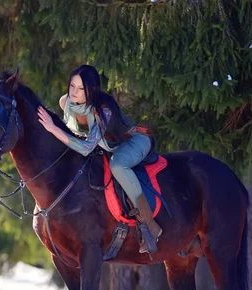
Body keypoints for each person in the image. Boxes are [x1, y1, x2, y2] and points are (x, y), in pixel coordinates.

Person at [37, 64, 162, 254]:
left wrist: (53, 128)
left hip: (133, 141)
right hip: (107, 146)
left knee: (118, 165)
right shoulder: (66, 102)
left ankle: (150, 224)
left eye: (81, 88)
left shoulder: (104, 111)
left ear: (92, 90)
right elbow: (75, 136)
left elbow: (86, 147)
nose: (74, 92)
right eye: (72, 86)